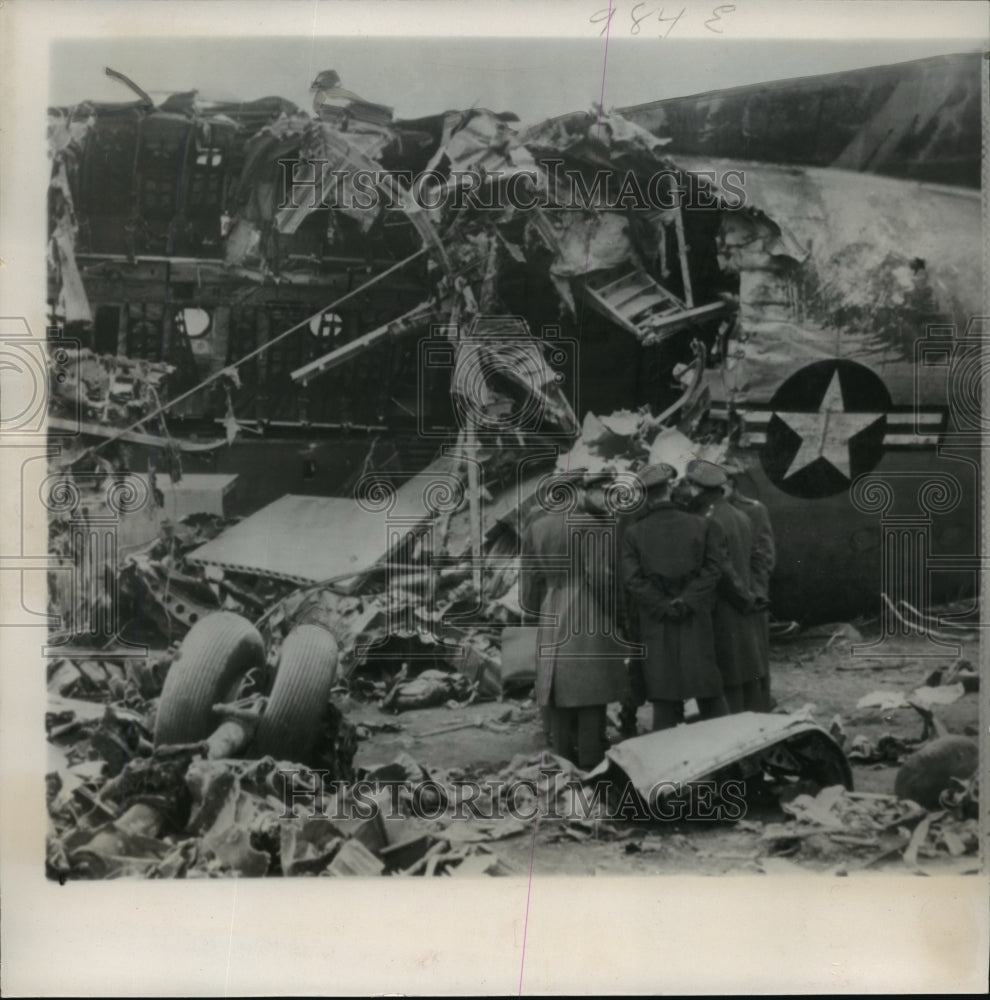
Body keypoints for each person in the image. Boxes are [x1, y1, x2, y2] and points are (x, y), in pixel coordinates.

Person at [519, 470, 630, 770]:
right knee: (590, 690)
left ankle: (563, 762)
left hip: (551, 606)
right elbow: (600, 577)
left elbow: (529, 579)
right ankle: (592, 763)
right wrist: (617, 615)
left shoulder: (536, 527)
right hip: (586, 606)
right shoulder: (590, 526)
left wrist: (534, 612)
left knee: (558, 690)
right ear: (576, 493)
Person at [620, 464, 729, 731]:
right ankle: (736, 766)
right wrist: (687, 600)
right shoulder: (702, 525)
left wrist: (662, 605)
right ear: (669, 489)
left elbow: (633, 580)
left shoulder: (634, 533)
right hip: (695, 619)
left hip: (657, 622)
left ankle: (667, 768)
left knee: (665, 700)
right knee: (710, 696)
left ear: (644, 496)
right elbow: (714, 569)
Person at [682, 460, 767, 713]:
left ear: (698, 489)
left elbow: (720, 569)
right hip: (740, 616)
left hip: (719, 615)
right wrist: (751, 598)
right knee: (741, 686)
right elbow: (755, 558)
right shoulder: (740, 516)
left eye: (690, 486)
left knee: (723, 693)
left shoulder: (706, 522)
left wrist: (743, 598)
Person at [722, 458, 776, 710]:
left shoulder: (754, 510)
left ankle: (759, 707)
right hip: (724, 598)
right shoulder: (709, 511)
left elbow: (765, 556)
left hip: (750, 601)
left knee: (755, 661)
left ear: (732, 484)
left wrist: (754, 595)